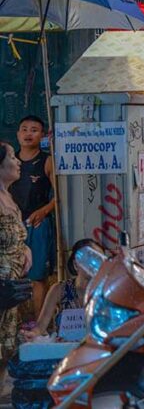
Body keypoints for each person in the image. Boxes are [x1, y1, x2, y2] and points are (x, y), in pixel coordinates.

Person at [13, 116, 56, 319]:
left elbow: (60, 196)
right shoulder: (8, 160)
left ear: (43, 135)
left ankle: (40, 324)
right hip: (12, 226)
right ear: (17, 134)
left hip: (37, 224)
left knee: (38, 276)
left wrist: (45, 210)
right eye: (24, 129)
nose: (28, 134)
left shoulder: (47, 161)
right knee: (11, 275)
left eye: (34, 130)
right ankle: (14, 325)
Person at [23, 239, 102, 342]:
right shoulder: (59, 290)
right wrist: (32, 334)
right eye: (90, 257)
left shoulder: (108, 291)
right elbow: (40, 327)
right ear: (76, 263)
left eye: (99, 258)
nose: (95, 263)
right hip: (64, 353)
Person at [0, 141, 31, 381]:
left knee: (5, 354)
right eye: (11, 157)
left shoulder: (8, 198)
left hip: (11, 291)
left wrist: (25, 249)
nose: (18, 161)